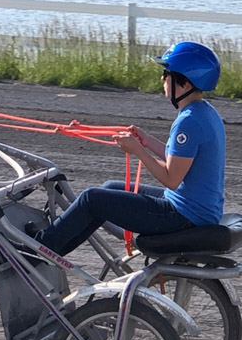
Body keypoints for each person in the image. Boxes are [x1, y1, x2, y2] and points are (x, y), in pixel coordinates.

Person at [28, 41, 226, 256]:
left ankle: (39, 250)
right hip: (195, 209)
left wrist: (137, 151)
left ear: (185, 84)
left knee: (92, 198)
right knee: (110, 188)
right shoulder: (204, 112)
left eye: (167, 74)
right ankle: (54, 249)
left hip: (184, 217)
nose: (162, 79)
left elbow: (171, 179)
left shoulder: (189, 122)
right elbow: (180, 160)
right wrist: (147, 141)